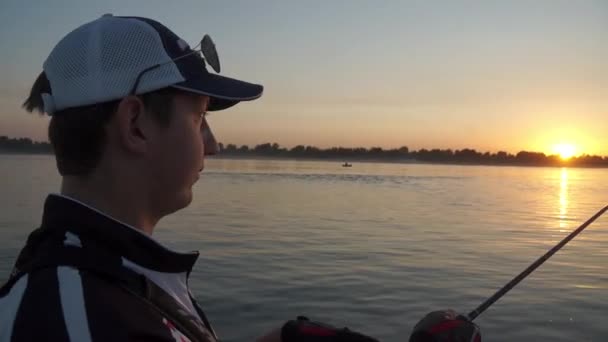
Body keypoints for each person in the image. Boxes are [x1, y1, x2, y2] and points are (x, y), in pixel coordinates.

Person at [0, 14, 480, 342]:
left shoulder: (111, 273)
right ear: (136, 125)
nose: (212, 144)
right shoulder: (76, 317)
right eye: (199, 119)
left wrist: (284, 338)